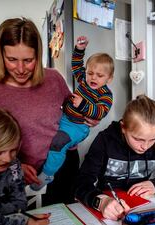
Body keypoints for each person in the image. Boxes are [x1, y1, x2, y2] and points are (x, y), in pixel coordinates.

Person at [0, 17, 98, 205]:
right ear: (0, 55)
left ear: (38, 55)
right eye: (12, 60)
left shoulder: (53, 78)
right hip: (15, 172)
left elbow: (72, 109)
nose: (21, 69)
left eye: (28, 60)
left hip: (63, 166)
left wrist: (90, 115)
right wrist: (14, 167)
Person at [74, 95, 155, 220]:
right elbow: (81, 183)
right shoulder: (105, 140)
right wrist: (101, 202)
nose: (145, 146)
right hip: (109, 205)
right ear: (123, 127)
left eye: (152, 139)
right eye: (138, 139)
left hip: (142, 207)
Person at [31, 35, 114, 190]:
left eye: (100, 75)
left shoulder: (105, 95)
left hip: (78, 126)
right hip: (65, 118)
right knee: (48, 136)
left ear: (109, 79)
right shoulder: (83, 80)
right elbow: (76, 65)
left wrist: (83, 104)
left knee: (59, 142)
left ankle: (48, 173)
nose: (93, 78)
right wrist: (79, 49)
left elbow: (100, 112)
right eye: (90, 73)